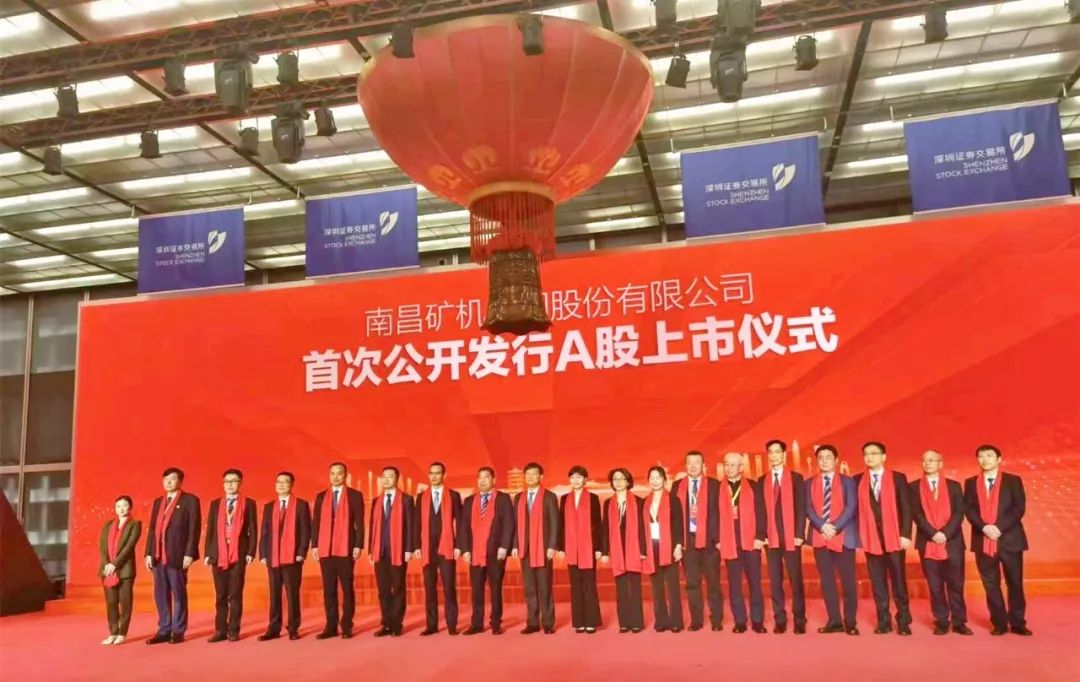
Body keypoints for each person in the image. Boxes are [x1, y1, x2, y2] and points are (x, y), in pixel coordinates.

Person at [965, 444, 1031, 636]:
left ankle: (1017, 622)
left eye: (989, 455)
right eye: (981, 456)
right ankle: (999, 623)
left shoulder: (1013, 481)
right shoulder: (970, 483)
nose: (985, 459)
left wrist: (998, 528)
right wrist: (984, 527)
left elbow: (1019, 508)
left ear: (999, 459)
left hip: (1010, 540)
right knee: (991, 585)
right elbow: (968, 509)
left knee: (1015, 583)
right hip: (982, 539)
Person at [855, 441, 913, 636]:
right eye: (866, 454)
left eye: (874, 453)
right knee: (878, 583)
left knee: (899, 582)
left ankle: (903, 620)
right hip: (871, 539)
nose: (869, 457)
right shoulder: (857, 480)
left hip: (894, 537)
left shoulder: (898, 478)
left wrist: (905, 534)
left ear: (884, 457)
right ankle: (884, 621)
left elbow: (906, 507)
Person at [911, 450, 971, 636]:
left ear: (940, 463)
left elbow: (959, 512)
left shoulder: (954, 486)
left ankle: (959, 621)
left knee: (956, 584)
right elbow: (916, 514)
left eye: (932, 460)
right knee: (935, 585)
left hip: (952, 542)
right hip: (927, 541)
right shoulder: (913, 487)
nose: (928, 463)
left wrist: (945, 533)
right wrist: (933, 533)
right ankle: (942, 621)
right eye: (924, 460)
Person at [805, 445, 860, 635]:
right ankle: (834, 620)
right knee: (827, 581)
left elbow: (851, 507)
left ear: (836, 460)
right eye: (820, 457)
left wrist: (834, 526)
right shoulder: (809, 483)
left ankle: (850, 622)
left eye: (828, 457)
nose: (824, 461)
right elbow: (808, 508)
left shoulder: (848, 481)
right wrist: (822, 525)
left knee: (848, 581)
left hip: (843, 537)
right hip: (820, 536)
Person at [143, 467, 201, 645]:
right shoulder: (158, 502)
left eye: (172, 479)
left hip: (177, 555)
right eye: (165, 479)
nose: (168, 482)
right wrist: (148, 553)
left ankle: (178, 630)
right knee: (160, 594)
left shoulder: (190, 500)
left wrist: (189, 553)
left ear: (180, 481)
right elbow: (152, 530)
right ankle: (164, 629)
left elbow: (194, 528)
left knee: (178, 593)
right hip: (158, 555)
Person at [757, 439, 807, 634]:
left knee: (796, 580)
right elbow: (760, 511)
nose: (774, 455)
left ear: (784, 454)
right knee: (775, 581)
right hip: (771, 538)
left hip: (791, 537)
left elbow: (801, 508)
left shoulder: (796, 478)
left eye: (777, 451)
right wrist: (762, 535)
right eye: (771, 452)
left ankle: (800, 619)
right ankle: (780, 619)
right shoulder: (762, 480)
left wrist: (799, 534)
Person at [670, 450, 723, 631]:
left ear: (703, 465)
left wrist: (719, 538)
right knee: (692, 584)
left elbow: (720, 513)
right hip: (688, 541)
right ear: (686, 465)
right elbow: (674, 517)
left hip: (710, 541)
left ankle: (716, 620)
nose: (693, 466)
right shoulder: (677, 486)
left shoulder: (715, 485)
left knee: (713, 582)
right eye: (690, 463)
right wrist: (677, 543)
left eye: (697, 462)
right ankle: (696, 621)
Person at [458, 466, 515, 635]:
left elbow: (509, 524)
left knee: (495, 588)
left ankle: (496, 623)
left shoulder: (503, 498)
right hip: (475, 552)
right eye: (480, 477)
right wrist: (465, 549)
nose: (482, 480)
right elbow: (463, 527)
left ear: (493, 480)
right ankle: (476, 624)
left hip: (496, 552)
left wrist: (504, 546)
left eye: (486, 477)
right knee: (476, 590)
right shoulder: (469, 501)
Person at [203, 468, 258, 642]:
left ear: (240, 483)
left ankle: (233, 630)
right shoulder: (215, 504)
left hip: (238, 554)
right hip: (218, 553)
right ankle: (220, 630)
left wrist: (250, 551)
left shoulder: (249, 503)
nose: (230, 484)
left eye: (233, 481)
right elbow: (210, 530)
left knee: (235, 594)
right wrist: (208, 553)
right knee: (220, 595)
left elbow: (253, 529)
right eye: (227, 481)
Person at [311, 461, 364, 640]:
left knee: (347, 588)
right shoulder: (321, 497)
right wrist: (315, 545)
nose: (335, 476)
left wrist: (358, 545)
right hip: (325, 549)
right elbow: (316, 523)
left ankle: (347, 625)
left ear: (345, 475)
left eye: (339, 473)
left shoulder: (355, 495)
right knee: (329, 590)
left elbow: (359, 523)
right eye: (332, 473)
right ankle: (331, 626)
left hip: (346, 548)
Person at [258, 471, 311, 641]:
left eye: (285, 482)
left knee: (292, 594)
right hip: (273, 557)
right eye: (278, 482)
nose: (281, 485)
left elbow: (305, 530)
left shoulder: (301, 505)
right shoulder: (269, 506)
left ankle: (293, 628)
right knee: (274, 595)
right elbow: (264, 532)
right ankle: (274, 628)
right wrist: (263, 554)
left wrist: (301, 552)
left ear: (291, 485)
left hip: (293, 558)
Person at [717, 453, 766, 634]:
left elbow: (762, 512)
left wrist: (760, 536)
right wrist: (718, 539)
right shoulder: (718, 488)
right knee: (734, 585)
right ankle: (740, 621)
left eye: (733, 465)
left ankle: (758, 621)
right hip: (730, 543)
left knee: (755, 584)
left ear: (741, 467)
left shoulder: (753, 486)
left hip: (751, 542)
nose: (729, 468)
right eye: (726, 464)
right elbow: (713, 516)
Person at [415, 461, 462, 636]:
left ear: (443, 475)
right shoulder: (421, 497)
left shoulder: (454, 496)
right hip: (427, 548)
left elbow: (461, 523)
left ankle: (452, 625)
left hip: (447, 546)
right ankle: (431, 625)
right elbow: (416, 524)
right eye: (431, 473)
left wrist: (459, 545)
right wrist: (416, 546)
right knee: (429, 589)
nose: (434, 476)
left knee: (449, 588)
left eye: (437, 473)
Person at [512, 462, 559, 634]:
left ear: (541, 476)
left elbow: (555, 523)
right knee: (529, 588)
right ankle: (532, 623)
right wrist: (515, 545)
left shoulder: (549, 497)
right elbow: (516, 524)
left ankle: (548, 623)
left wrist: (552, 545)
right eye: (528, 474)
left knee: (545, 587)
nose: (530, 477)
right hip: (525, 549)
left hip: (543, 549)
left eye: (534, 474)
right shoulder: (519, 497)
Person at [370, 465, 416, 637]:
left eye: (390, 476)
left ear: (397, 479)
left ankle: (397, 624)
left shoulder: (406, 500)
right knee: (383, 591)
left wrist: (409, 548)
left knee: (398, 589)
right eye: (384, 476)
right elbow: (372, 526)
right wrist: (371, 550)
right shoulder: (376, 500)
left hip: (398, 551)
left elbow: (411, 525)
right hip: (379, 550)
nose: (386, 479)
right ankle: (386, 624)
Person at [559, 465, 602, 634]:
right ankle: (579, 622)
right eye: (573, 477)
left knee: (589, 585)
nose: (576, 480)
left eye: (579, 477)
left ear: (585, 479)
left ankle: (591, 621)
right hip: (571, 547)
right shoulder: (564, 499)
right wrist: (561, 547)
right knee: (575, 585)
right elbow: (561, 525)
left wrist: (598, 547)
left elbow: (597, 524)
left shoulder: (593, 498)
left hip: (588, 547)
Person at [600, 467, 644, 633]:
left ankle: (637, 622)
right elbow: (605, 528)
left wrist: (643, 550)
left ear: (628, 481)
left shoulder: (638, 501)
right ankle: (624, 623)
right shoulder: (608, 503)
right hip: (617, 549)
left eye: (621, 479)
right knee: (621, 588)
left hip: (634, 548)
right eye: (615, 479)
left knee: (634, 587)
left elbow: (643, 528)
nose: (618, 482)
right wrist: (605, 551)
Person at [643, 465, 684, 633]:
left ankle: (676, 621)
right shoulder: (645, 502)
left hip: (669, 545)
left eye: (658, 477)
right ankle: (661, 620)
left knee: (672, 586)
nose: (655, 481)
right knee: (656, 586)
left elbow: (678, 524)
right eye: (651, 478)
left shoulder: (673, 499)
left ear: (664, 480)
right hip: (652, 546)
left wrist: (678, 545)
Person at [99, 495, 142, 645]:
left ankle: (122, 633)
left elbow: (129, 547)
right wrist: (107, 564)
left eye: (124, 505)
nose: (121, 509)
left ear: (130, 507)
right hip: (107, 570)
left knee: (125, 603)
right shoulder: (108, 525)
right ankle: (113, 632)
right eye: (118, 506)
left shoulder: (135, 524)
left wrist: (115, 564)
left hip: (125, 570)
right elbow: (102, 547)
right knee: (111, 603)